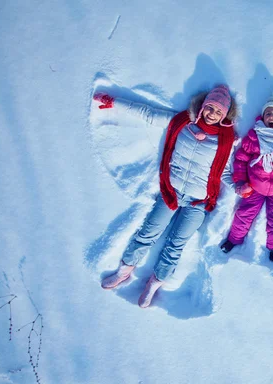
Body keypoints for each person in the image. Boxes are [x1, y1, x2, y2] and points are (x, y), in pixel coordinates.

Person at [95, 85, 238, 308]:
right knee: (148, 232)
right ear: (202, 107)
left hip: (198, 202)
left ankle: (154, 283)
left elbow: (225, 171)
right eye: (210, 108)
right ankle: (124, 271)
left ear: (224, 116)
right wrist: (114, 102)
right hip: (171, 192)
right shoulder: (182, 122)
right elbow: (148, 114)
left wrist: (238, 186)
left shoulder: (226, 141)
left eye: (218, 112)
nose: (212, 114)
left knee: (176, 244)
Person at [220, 91, 273, 262]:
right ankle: (233, 239)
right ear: (263, 117)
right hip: (254, 186)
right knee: (244, 214)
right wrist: (241, 180)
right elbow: (241, 159)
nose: (271, 117)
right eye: (268, 113)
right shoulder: (254, 136)